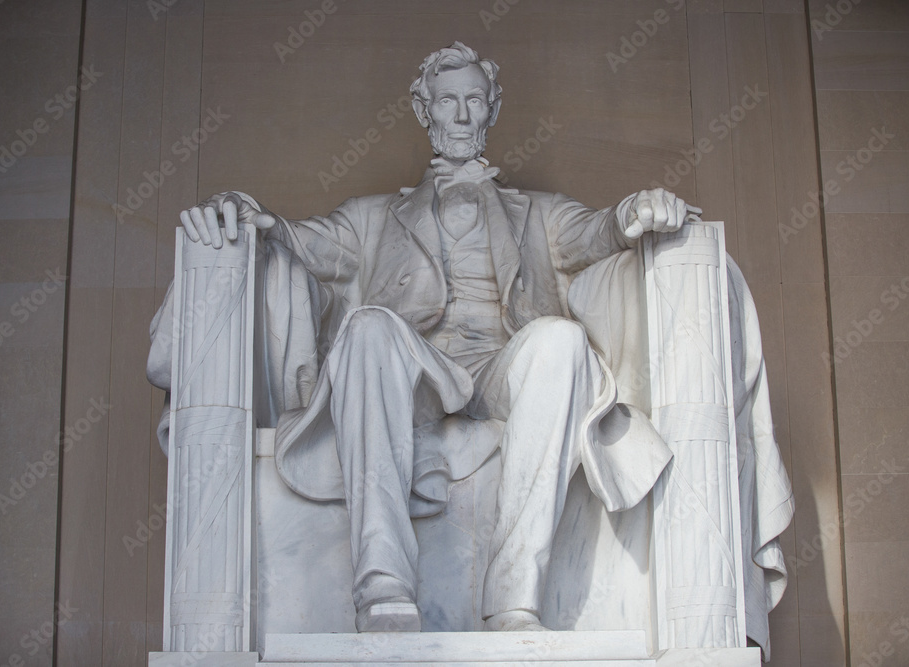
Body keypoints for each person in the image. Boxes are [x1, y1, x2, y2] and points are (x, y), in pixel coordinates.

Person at [175, 42, 698, 633]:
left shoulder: (541, 213)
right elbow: (293, 238)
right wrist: (241, 208)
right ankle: (383, 586)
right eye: (447, 101)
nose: (462, 115)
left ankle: (515, 597)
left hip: (505, 368)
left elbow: (601, 231)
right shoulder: (371, 217)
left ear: (492, 109)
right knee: (367, 327)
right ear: (424, 111)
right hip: (417, 372)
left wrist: (637, 208)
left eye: (475, 100)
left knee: (561, 340)